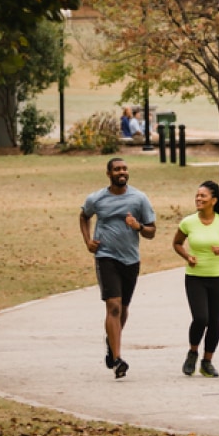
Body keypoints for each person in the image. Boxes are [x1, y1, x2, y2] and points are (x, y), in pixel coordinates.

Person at [79, 158, 156, 379]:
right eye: (117, 169)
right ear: (108, 174)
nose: (121, 172)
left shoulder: (139, 198)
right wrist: (88, 241)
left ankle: (111, 342)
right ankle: (118, 358)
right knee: (112, 305)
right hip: (106, 257)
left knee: (122, 308)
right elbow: (84, 216)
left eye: (124, 169)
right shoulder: (97, 198)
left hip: (131, 259)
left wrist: (138, 226)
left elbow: (151, 231)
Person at [172, 180, 219, 379]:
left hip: (217, 278)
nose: (198, 199)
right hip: (195, 277)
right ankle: (193, 353)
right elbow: (177, 243)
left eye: (203, 196)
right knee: (201, 318)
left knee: (215, 322)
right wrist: (187, 256)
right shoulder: (188, 222)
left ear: (213, 200)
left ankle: (207, 361)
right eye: (197, 195)